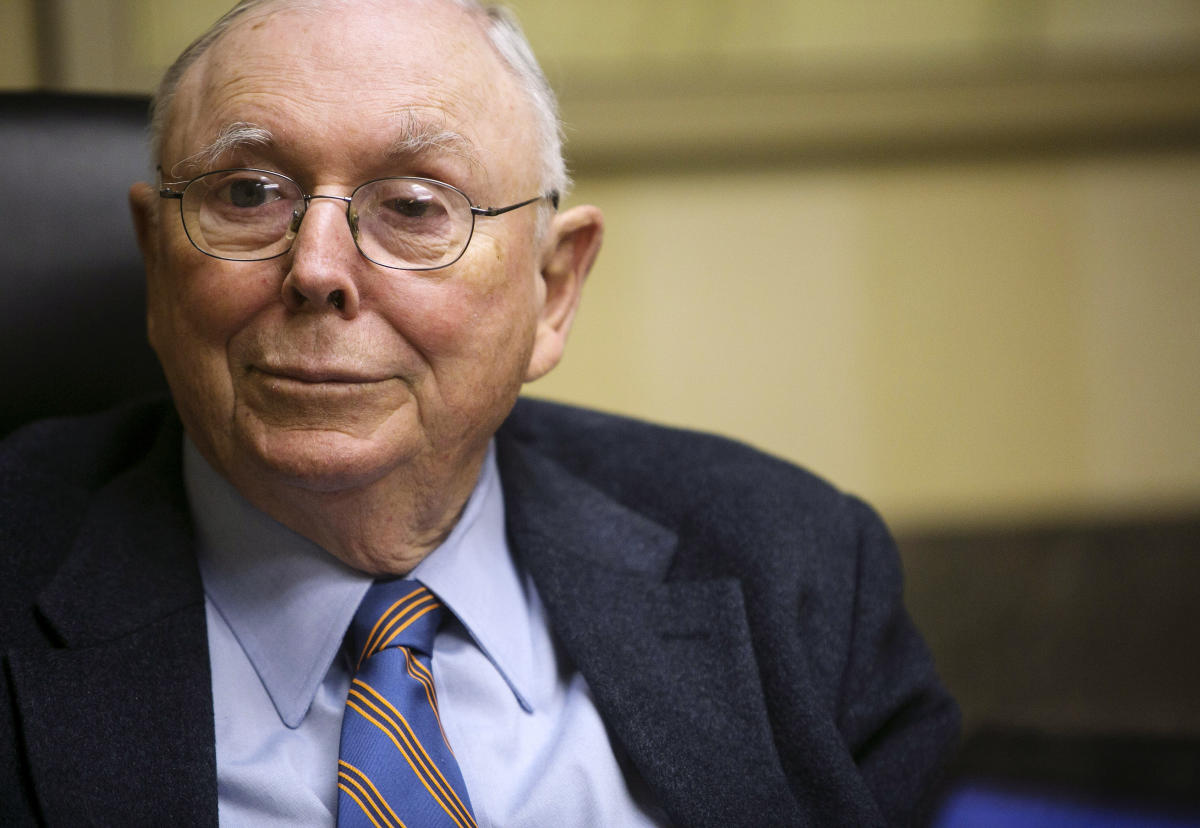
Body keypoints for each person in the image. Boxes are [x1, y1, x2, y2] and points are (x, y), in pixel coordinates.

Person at [0, 0, 959, 825]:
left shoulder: (794, 570)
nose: (318, 269)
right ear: (157, 261)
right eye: (248, 193)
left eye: (415, 206)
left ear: (553, 289)